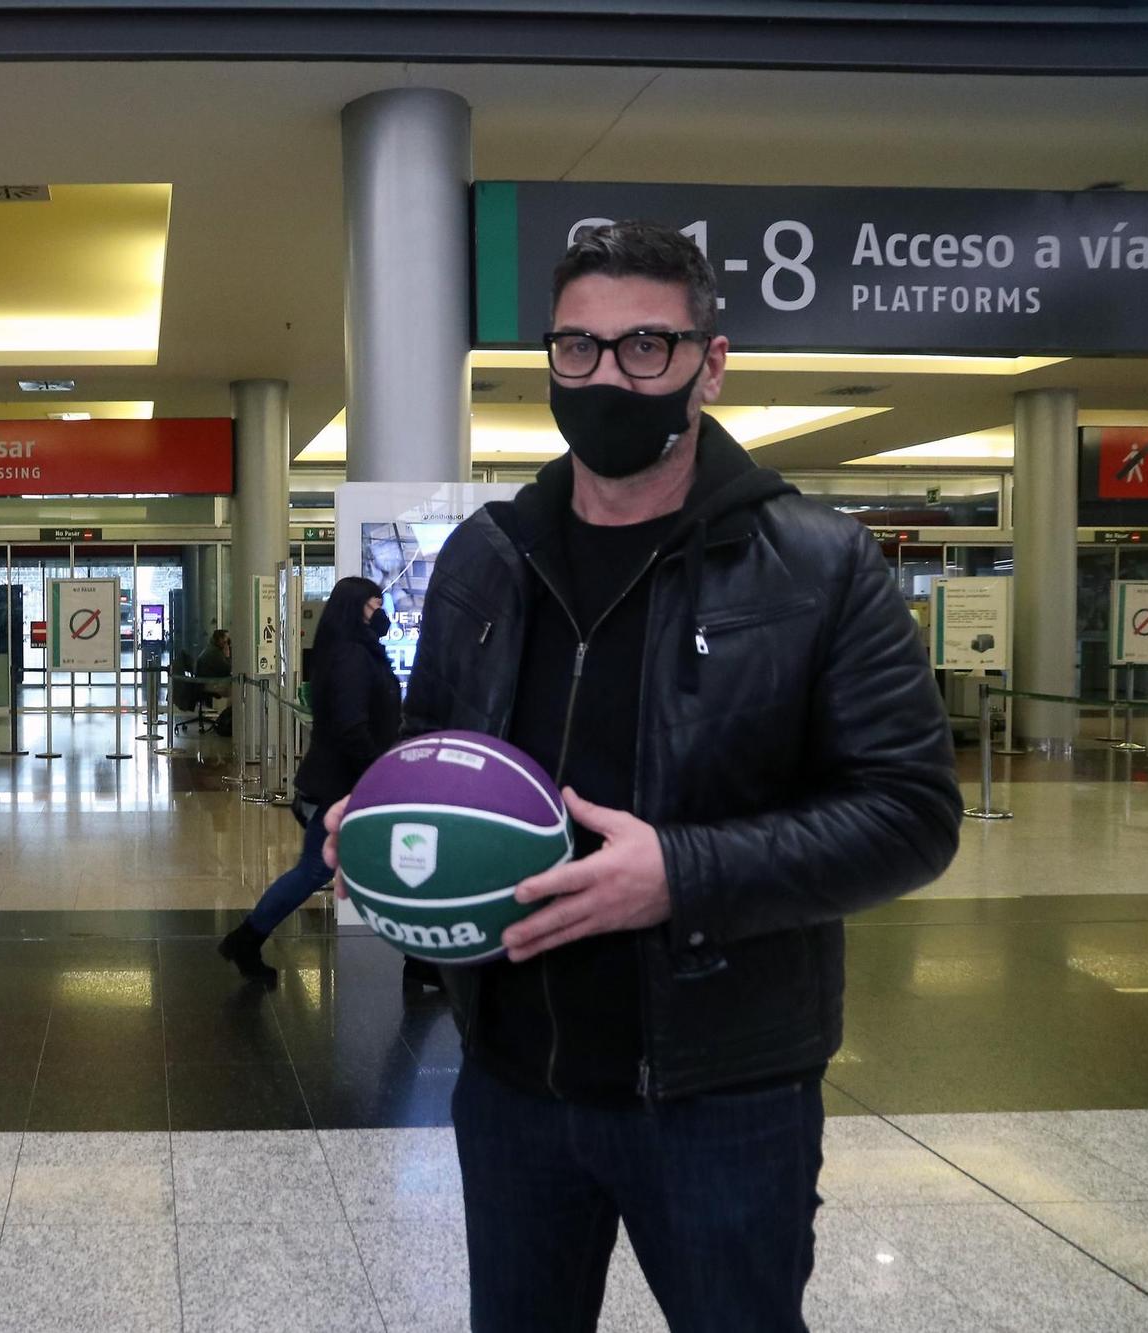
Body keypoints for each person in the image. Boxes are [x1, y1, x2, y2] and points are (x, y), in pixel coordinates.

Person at [326, 220, 961, 1331]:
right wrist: (382, 828)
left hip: (722, 1090)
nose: (605, 375)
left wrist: (679, 873)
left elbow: (909, 814)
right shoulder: (489, 555)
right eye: (576, 347)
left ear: (709, 364)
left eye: (643, 348)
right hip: (514, 1076)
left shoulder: (816, 564)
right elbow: (433, 746)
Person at [220, 578, 402, 985]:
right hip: (344, 788)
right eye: (374, 607)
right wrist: (381, 772)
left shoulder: (349, 652)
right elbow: (352, 726)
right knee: (315, 869)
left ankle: (246, 939)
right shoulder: (353, 657)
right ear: (355, 609)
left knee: (378, 865)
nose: (382, 615)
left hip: (345, 784)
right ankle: (246, 938)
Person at [193, 628, 233, 733]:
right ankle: (229, 719)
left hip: (203, 683)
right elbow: (227, 669)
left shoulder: (211, 649)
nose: (227, 643)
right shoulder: (214, 653)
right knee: (236, 690)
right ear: (220, 640)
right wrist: (228, 655)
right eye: (226, 641)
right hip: (207, 684)